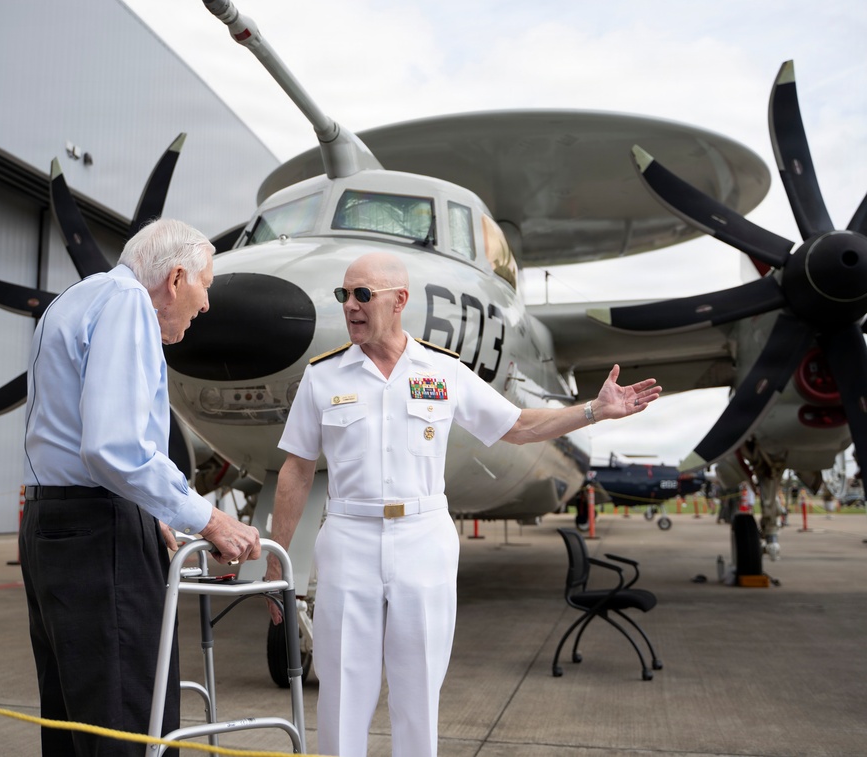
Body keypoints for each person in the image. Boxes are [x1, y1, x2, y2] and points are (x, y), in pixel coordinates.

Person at [264, 251, 661, 757]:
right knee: (341, 694)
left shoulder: (443, 371)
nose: (350, 306)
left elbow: (517, 426)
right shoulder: (324, 377)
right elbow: (296, 469)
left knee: (418, 693)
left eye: (363, 294)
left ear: (399, 300)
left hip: (423, 542)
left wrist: (593, 411)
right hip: (348, 540)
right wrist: (277, 556)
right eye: (345, 295)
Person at [19, 218, 261, 756]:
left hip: (52, 526)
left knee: (75, 719)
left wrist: (151, 509)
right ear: (176, 279)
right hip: (97, 531)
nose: (204, 308)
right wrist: (211, 518)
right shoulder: (129, 305)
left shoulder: (77, 299)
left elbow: (82, 437)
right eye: (206, 288)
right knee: (127, 719)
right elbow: (115, 448)